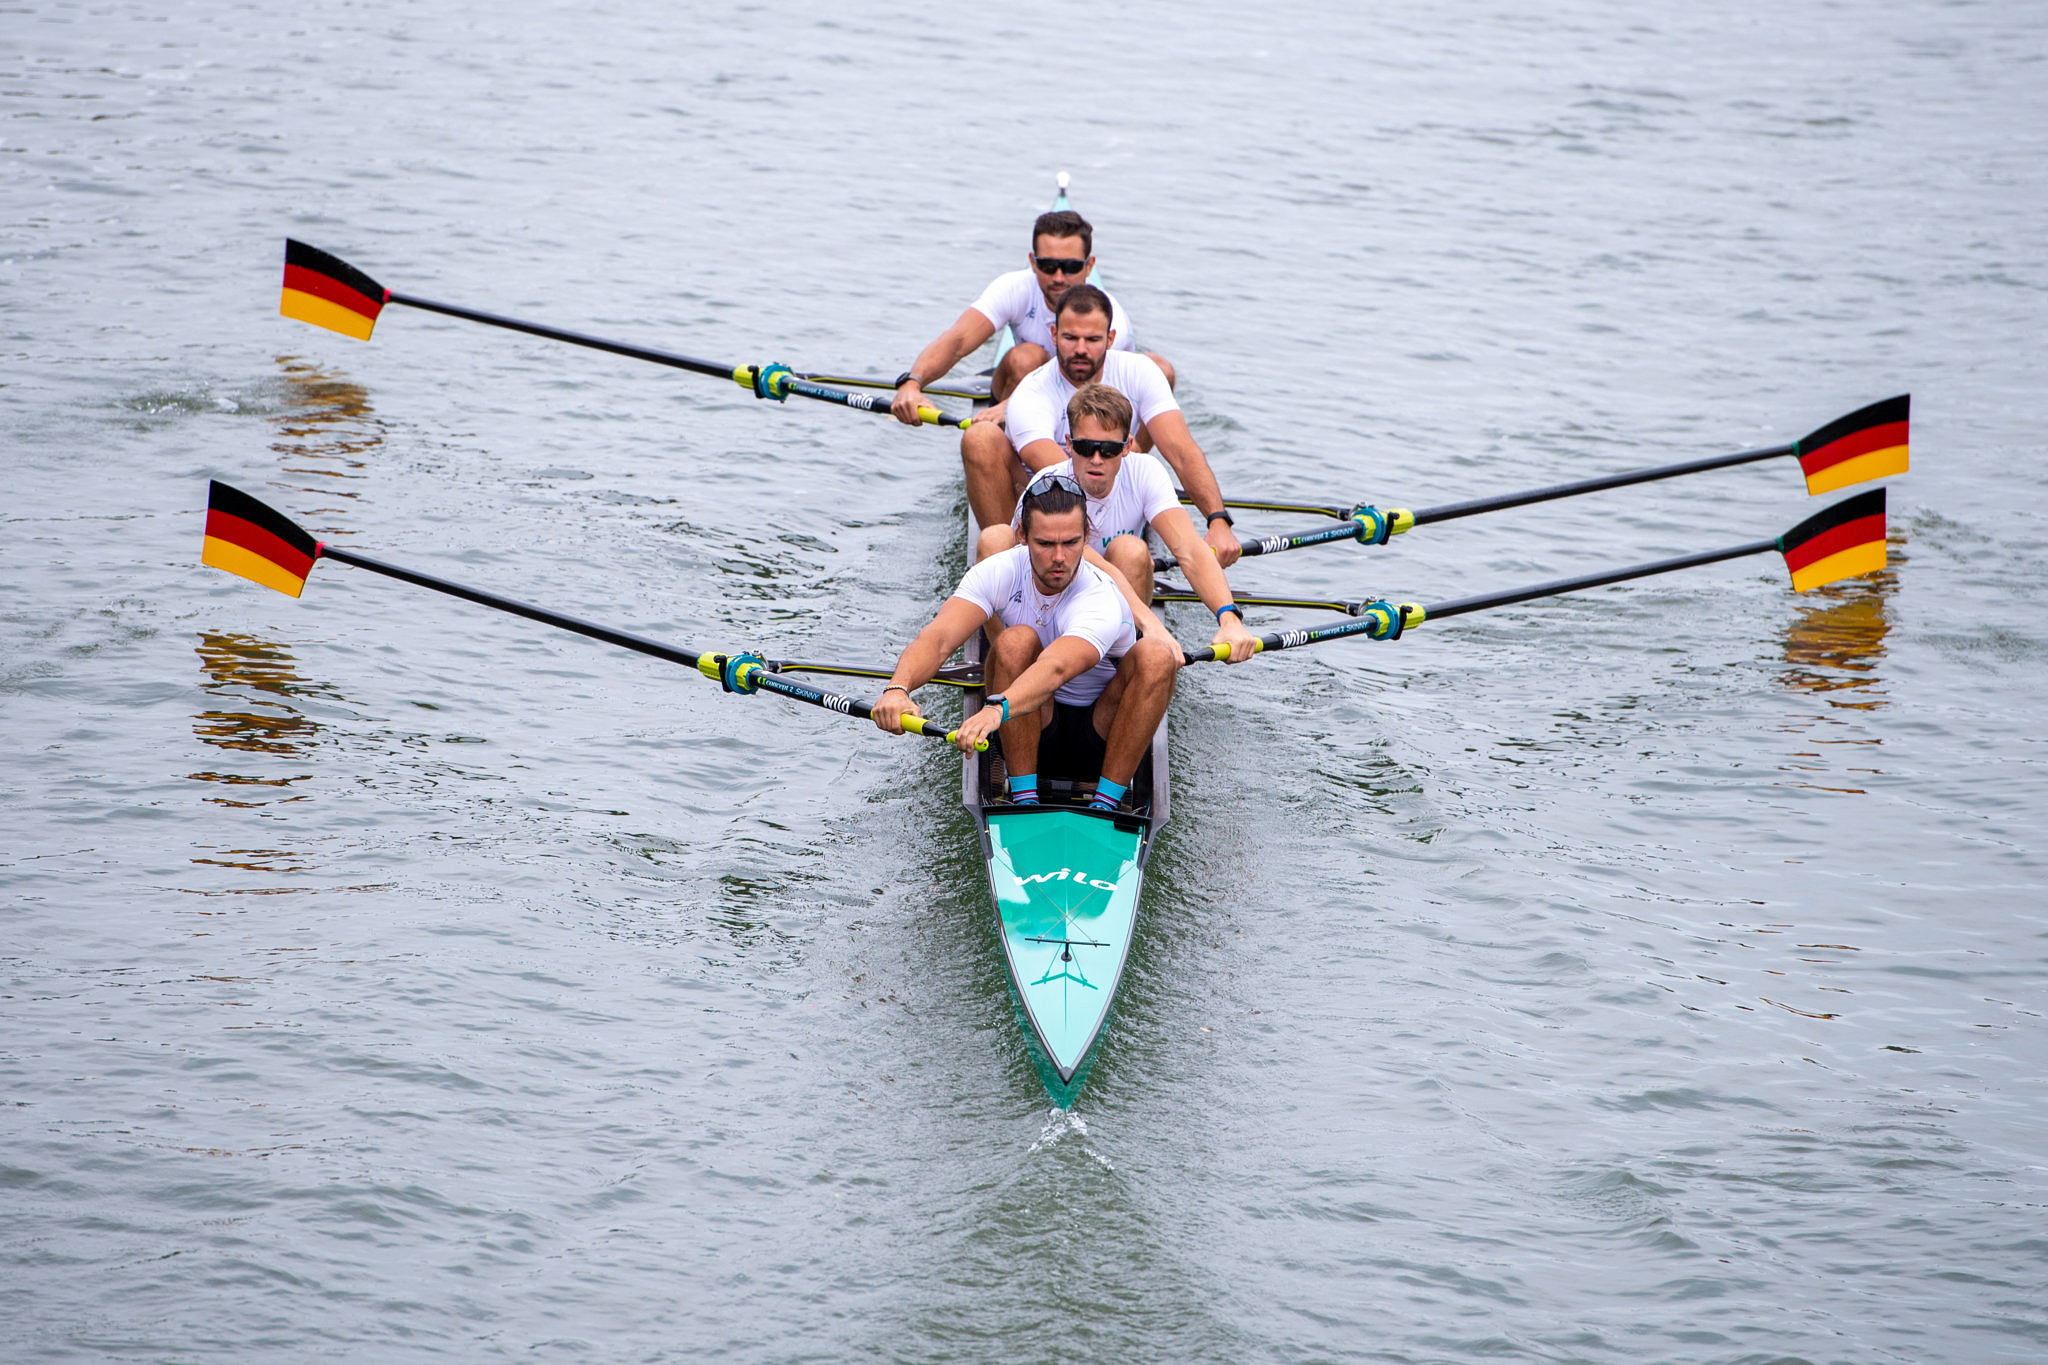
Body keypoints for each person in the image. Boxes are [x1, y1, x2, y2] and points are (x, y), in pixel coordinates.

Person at [871, 476, 1181, 810]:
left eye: (1072, 543)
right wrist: (898, 690)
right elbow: (937, 638)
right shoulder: (997, 571)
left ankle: (1106, 802)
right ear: (1022, 535)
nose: (1060, 557)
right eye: (1045, 544)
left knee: (1155, 655)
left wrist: (995, 709)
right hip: (1030, 727)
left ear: (1086, 537)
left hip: (1104, 736)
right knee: (1015, 641)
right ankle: (1023, 798)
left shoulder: (1100, 595)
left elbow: (1057, 667)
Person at [976, 383, 1257, 666]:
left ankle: (1122, 666)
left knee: (1131, 551)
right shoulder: (1049, 486)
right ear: (1069, 444)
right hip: (1049, 605)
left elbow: (1190, 549)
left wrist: (1229, 618)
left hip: (1113, 611)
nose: (1096, 459)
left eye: (1109, 450)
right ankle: (1009, 660)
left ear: (1128, 447)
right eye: (1086, 447)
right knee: (993, 540)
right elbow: (1080, 559)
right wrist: (1150, 621)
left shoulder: (1145, 472)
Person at [962, 285, 1242, 566]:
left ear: (1110, 339)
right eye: (1071, 338)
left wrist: (1217, 520)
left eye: (1092, 339)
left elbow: (1181, 451)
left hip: (1110, 492)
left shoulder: (1140, 372)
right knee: (981, 439)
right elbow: (1069, 477)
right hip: (1045, 500)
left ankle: (1130, 539)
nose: (1081, 349)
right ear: (1054, 335)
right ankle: (1008, 559)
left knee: (1129, 541)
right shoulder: (1031, 393)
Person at [888, 208, 1175, 427]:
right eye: (1048, 265)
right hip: (1026, 389)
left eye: (1071, 266)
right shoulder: (1014, 288)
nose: (1059, 278)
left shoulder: (1110, 319)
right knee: (1025, 357)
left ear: (1090, 266)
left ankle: (1132, 460)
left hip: (1097, 403)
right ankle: (1000, 444)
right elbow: (959, 339)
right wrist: (912, 383)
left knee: (1161, 371)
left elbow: (1086, 392)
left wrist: (1014, 405)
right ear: (1032, 262)